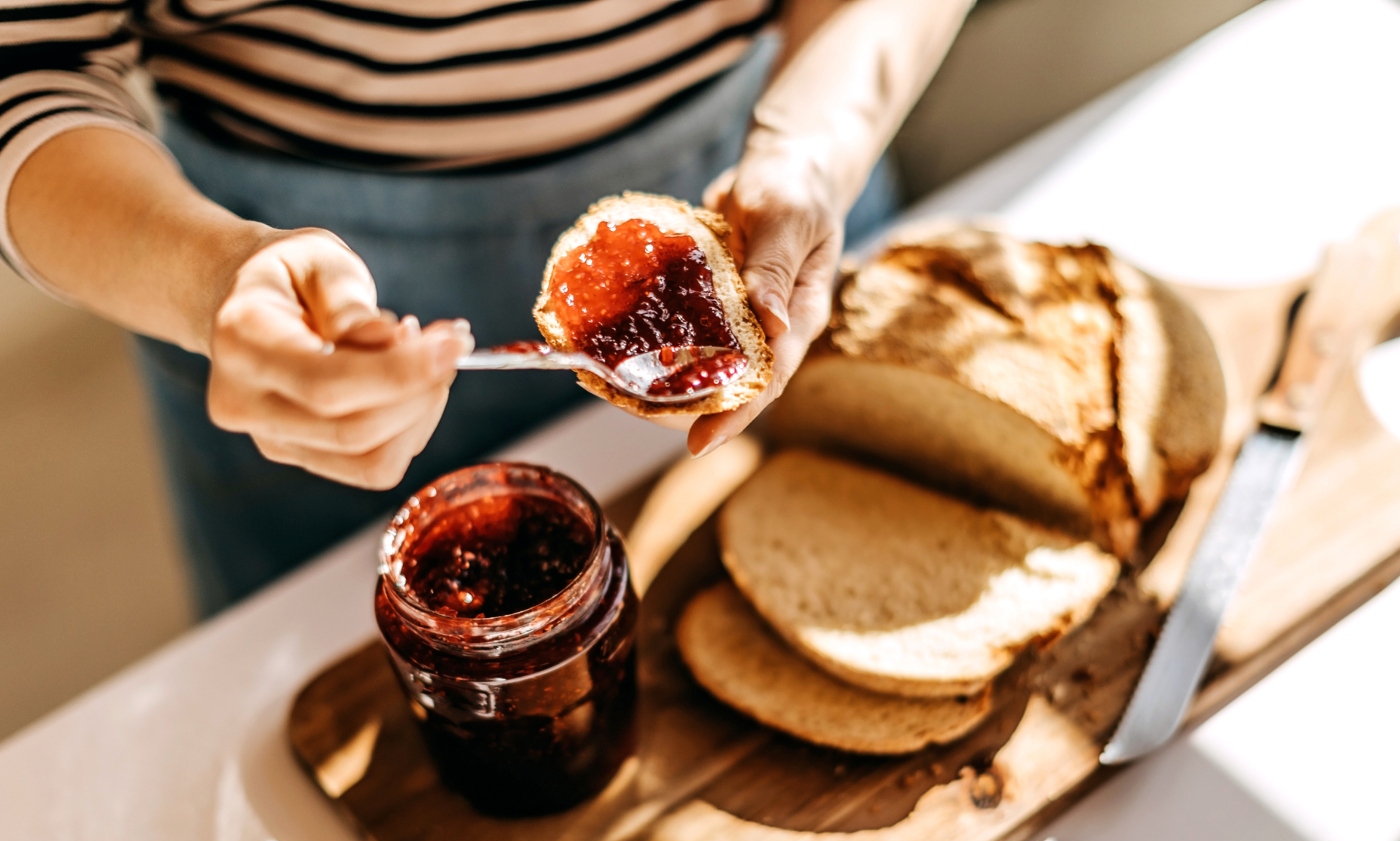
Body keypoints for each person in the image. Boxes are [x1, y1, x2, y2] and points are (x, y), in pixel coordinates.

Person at [1, 0, 974, 615]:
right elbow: (25, 65)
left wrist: (814, 145)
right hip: (273, 286)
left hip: (766, 195)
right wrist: (212, 278)